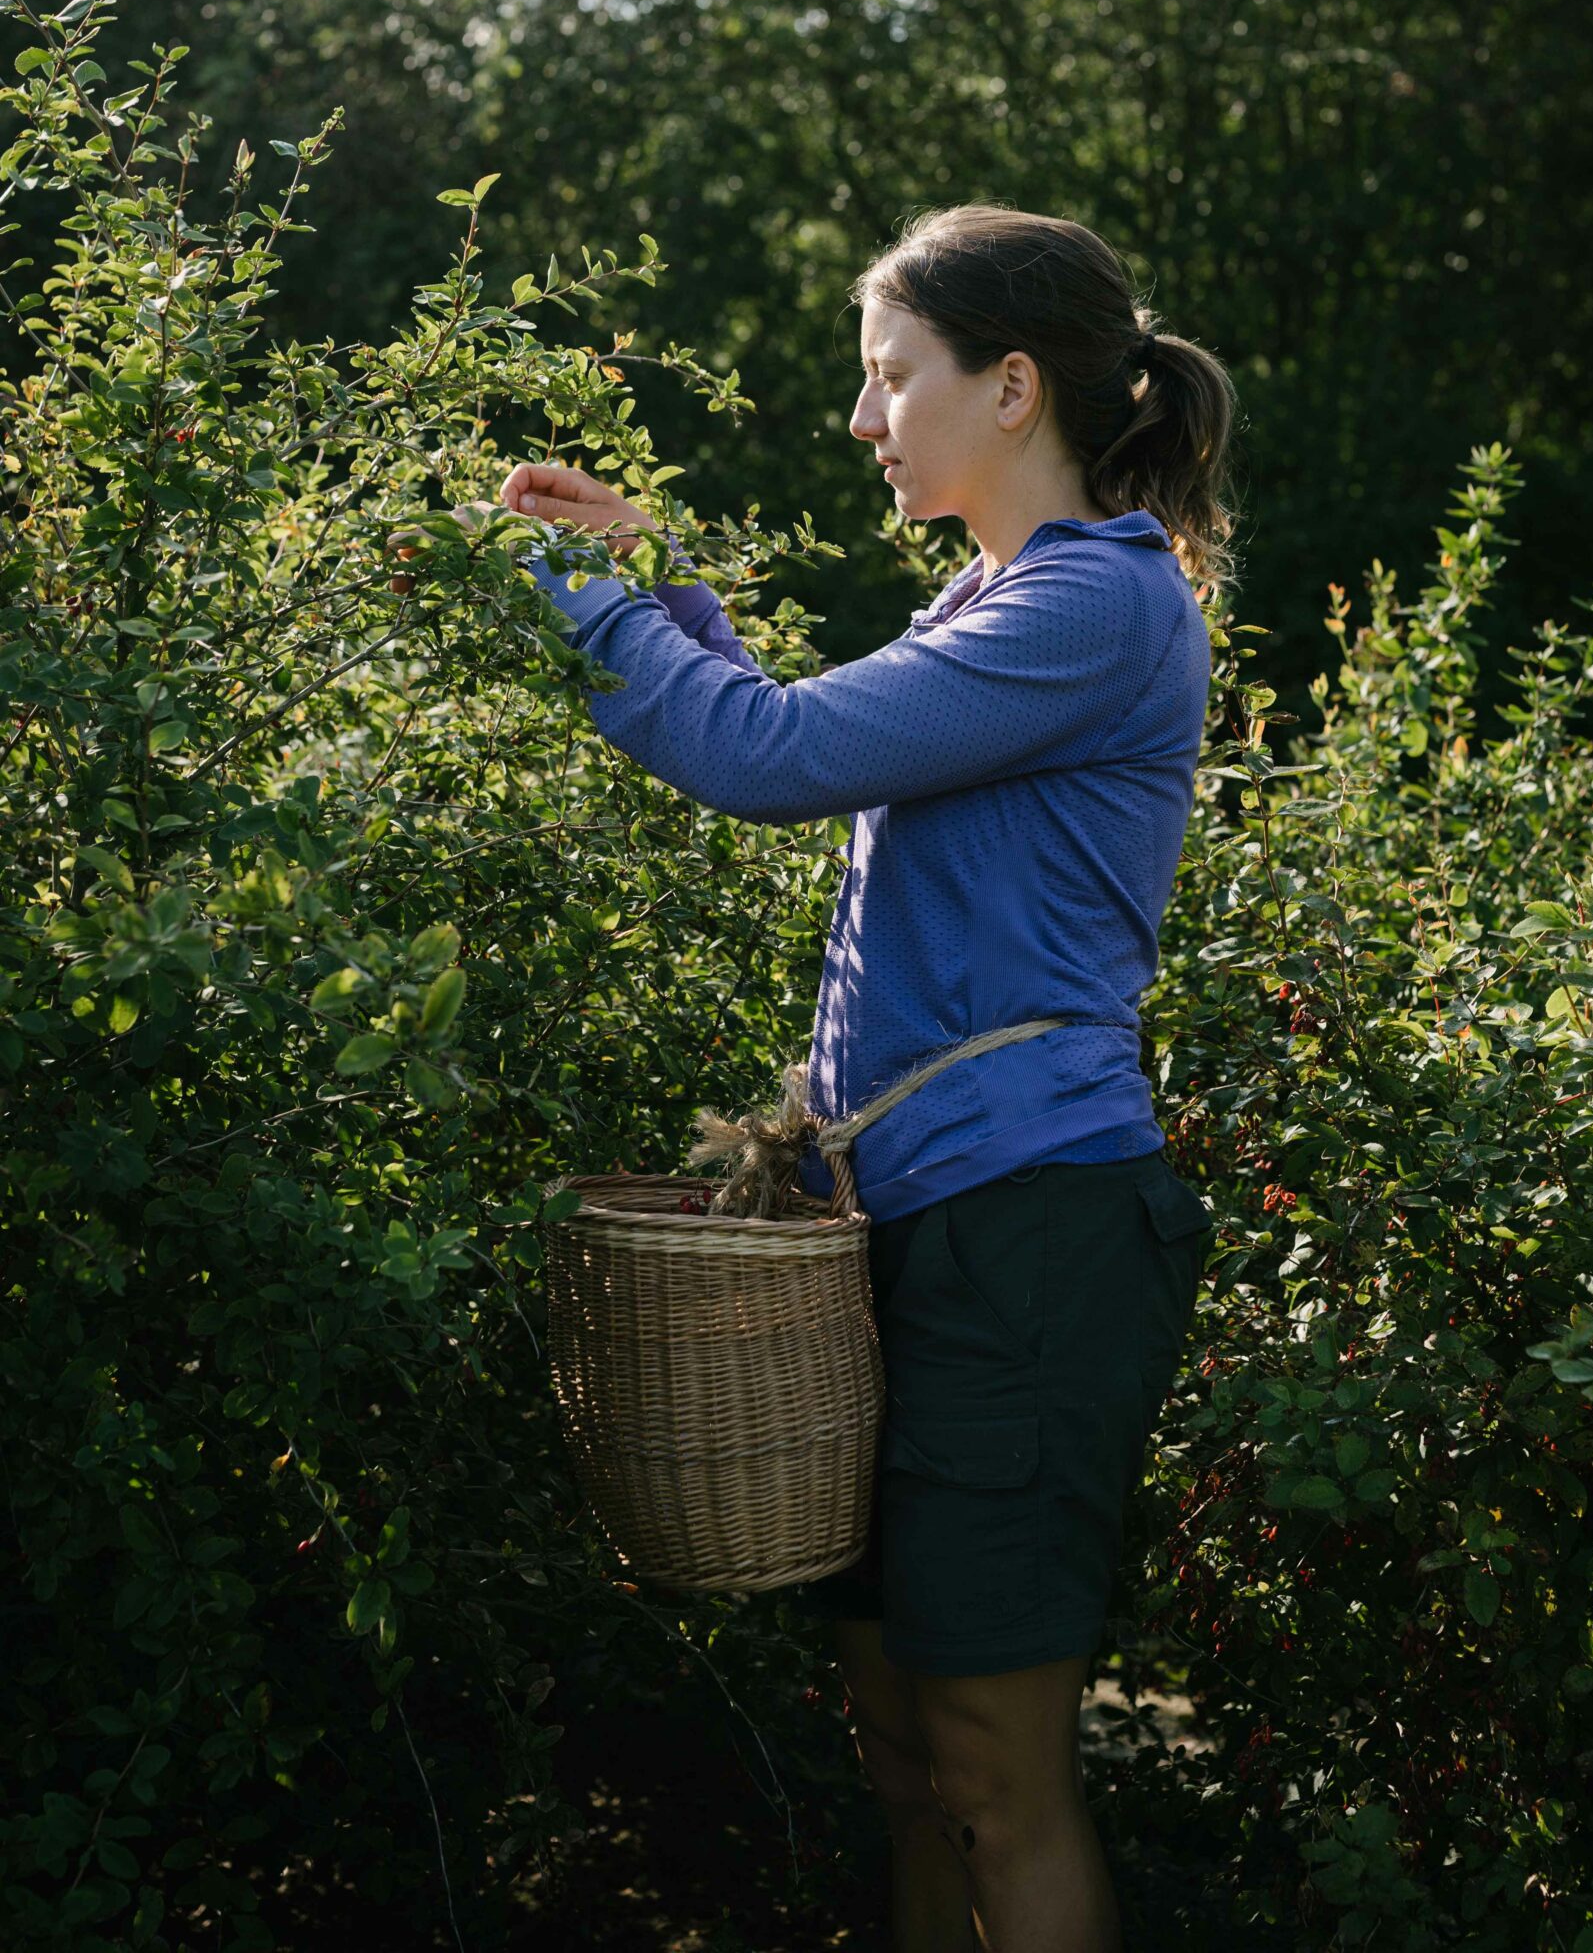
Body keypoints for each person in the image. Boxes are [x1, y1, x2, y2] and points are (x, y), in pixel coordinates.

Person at [496, 204, 1237, 1953]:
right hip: (913, 1224)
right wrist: (655, 575)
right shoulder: (996, 595)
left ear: (1012, 386)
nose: (863, 417)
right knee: (901, 1748)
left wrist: (571, 595)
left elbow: (774, 757)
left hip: (1031, 1231)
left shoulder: (1092, 607)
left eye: (889, 376)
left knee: (993, 1767)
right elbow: (788, 724)